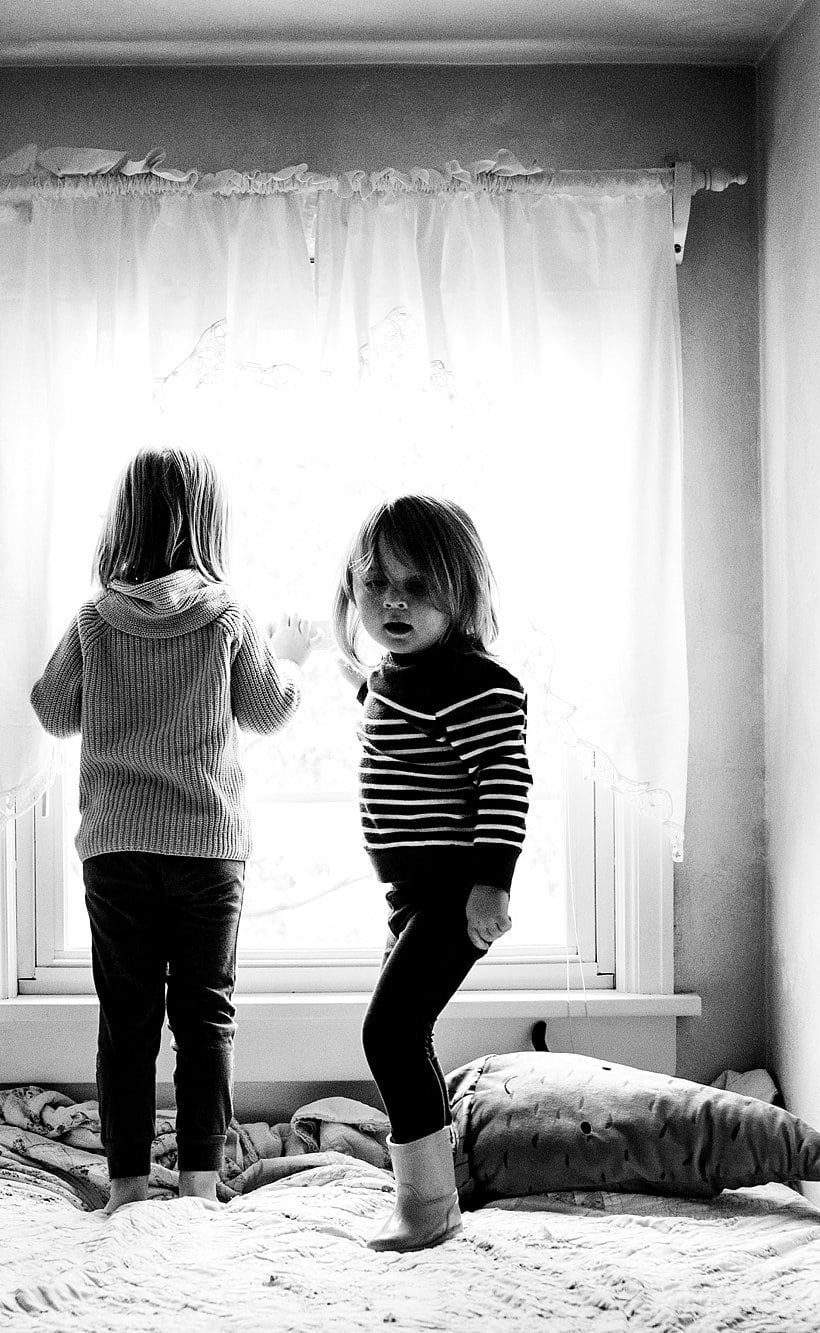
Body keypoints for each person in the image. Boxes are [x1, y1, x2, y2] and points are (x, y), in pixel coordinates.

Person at [30, 446, 317, 1216]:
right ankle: (197, 1183)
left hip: (117, 849)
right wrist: (290, 659)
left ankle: (125, 1183)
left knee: (127, 1022)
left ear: (124, 522)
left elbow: (54, 711)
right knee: (205, 1015)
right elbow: (268, 709)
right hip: (208, 850)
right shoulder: (226, 614)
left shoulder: (95, 619)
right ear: (206, 524)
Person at [331, 494, 531, 1251]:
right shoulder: (397, 675)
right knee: (405, 1034)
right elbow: (383, 709)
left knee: (390, 1030)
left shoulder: (474, 682)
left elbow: (505, 781)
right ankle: (434, 1187)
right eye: (377, 584)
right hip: (411, 896)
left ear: (460, 593)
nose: (393, 602)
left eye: (416, 588)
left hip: (454, 892)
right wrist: (329, 656)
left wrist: (493, 881)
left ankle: (428, 1209)